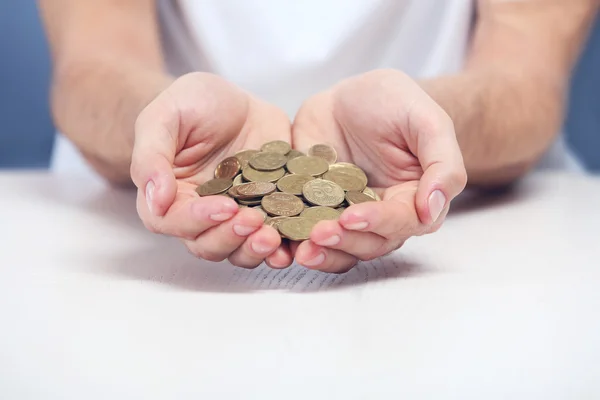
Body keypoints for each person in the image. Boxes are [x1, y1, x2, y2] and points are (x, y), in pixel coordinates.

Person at [39, 0, 598, 273]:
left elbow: (528, 79)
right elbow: (91, 66)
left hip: (501, 238)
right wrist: (160, 126)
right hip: (122, 241)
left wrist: (429, 123)